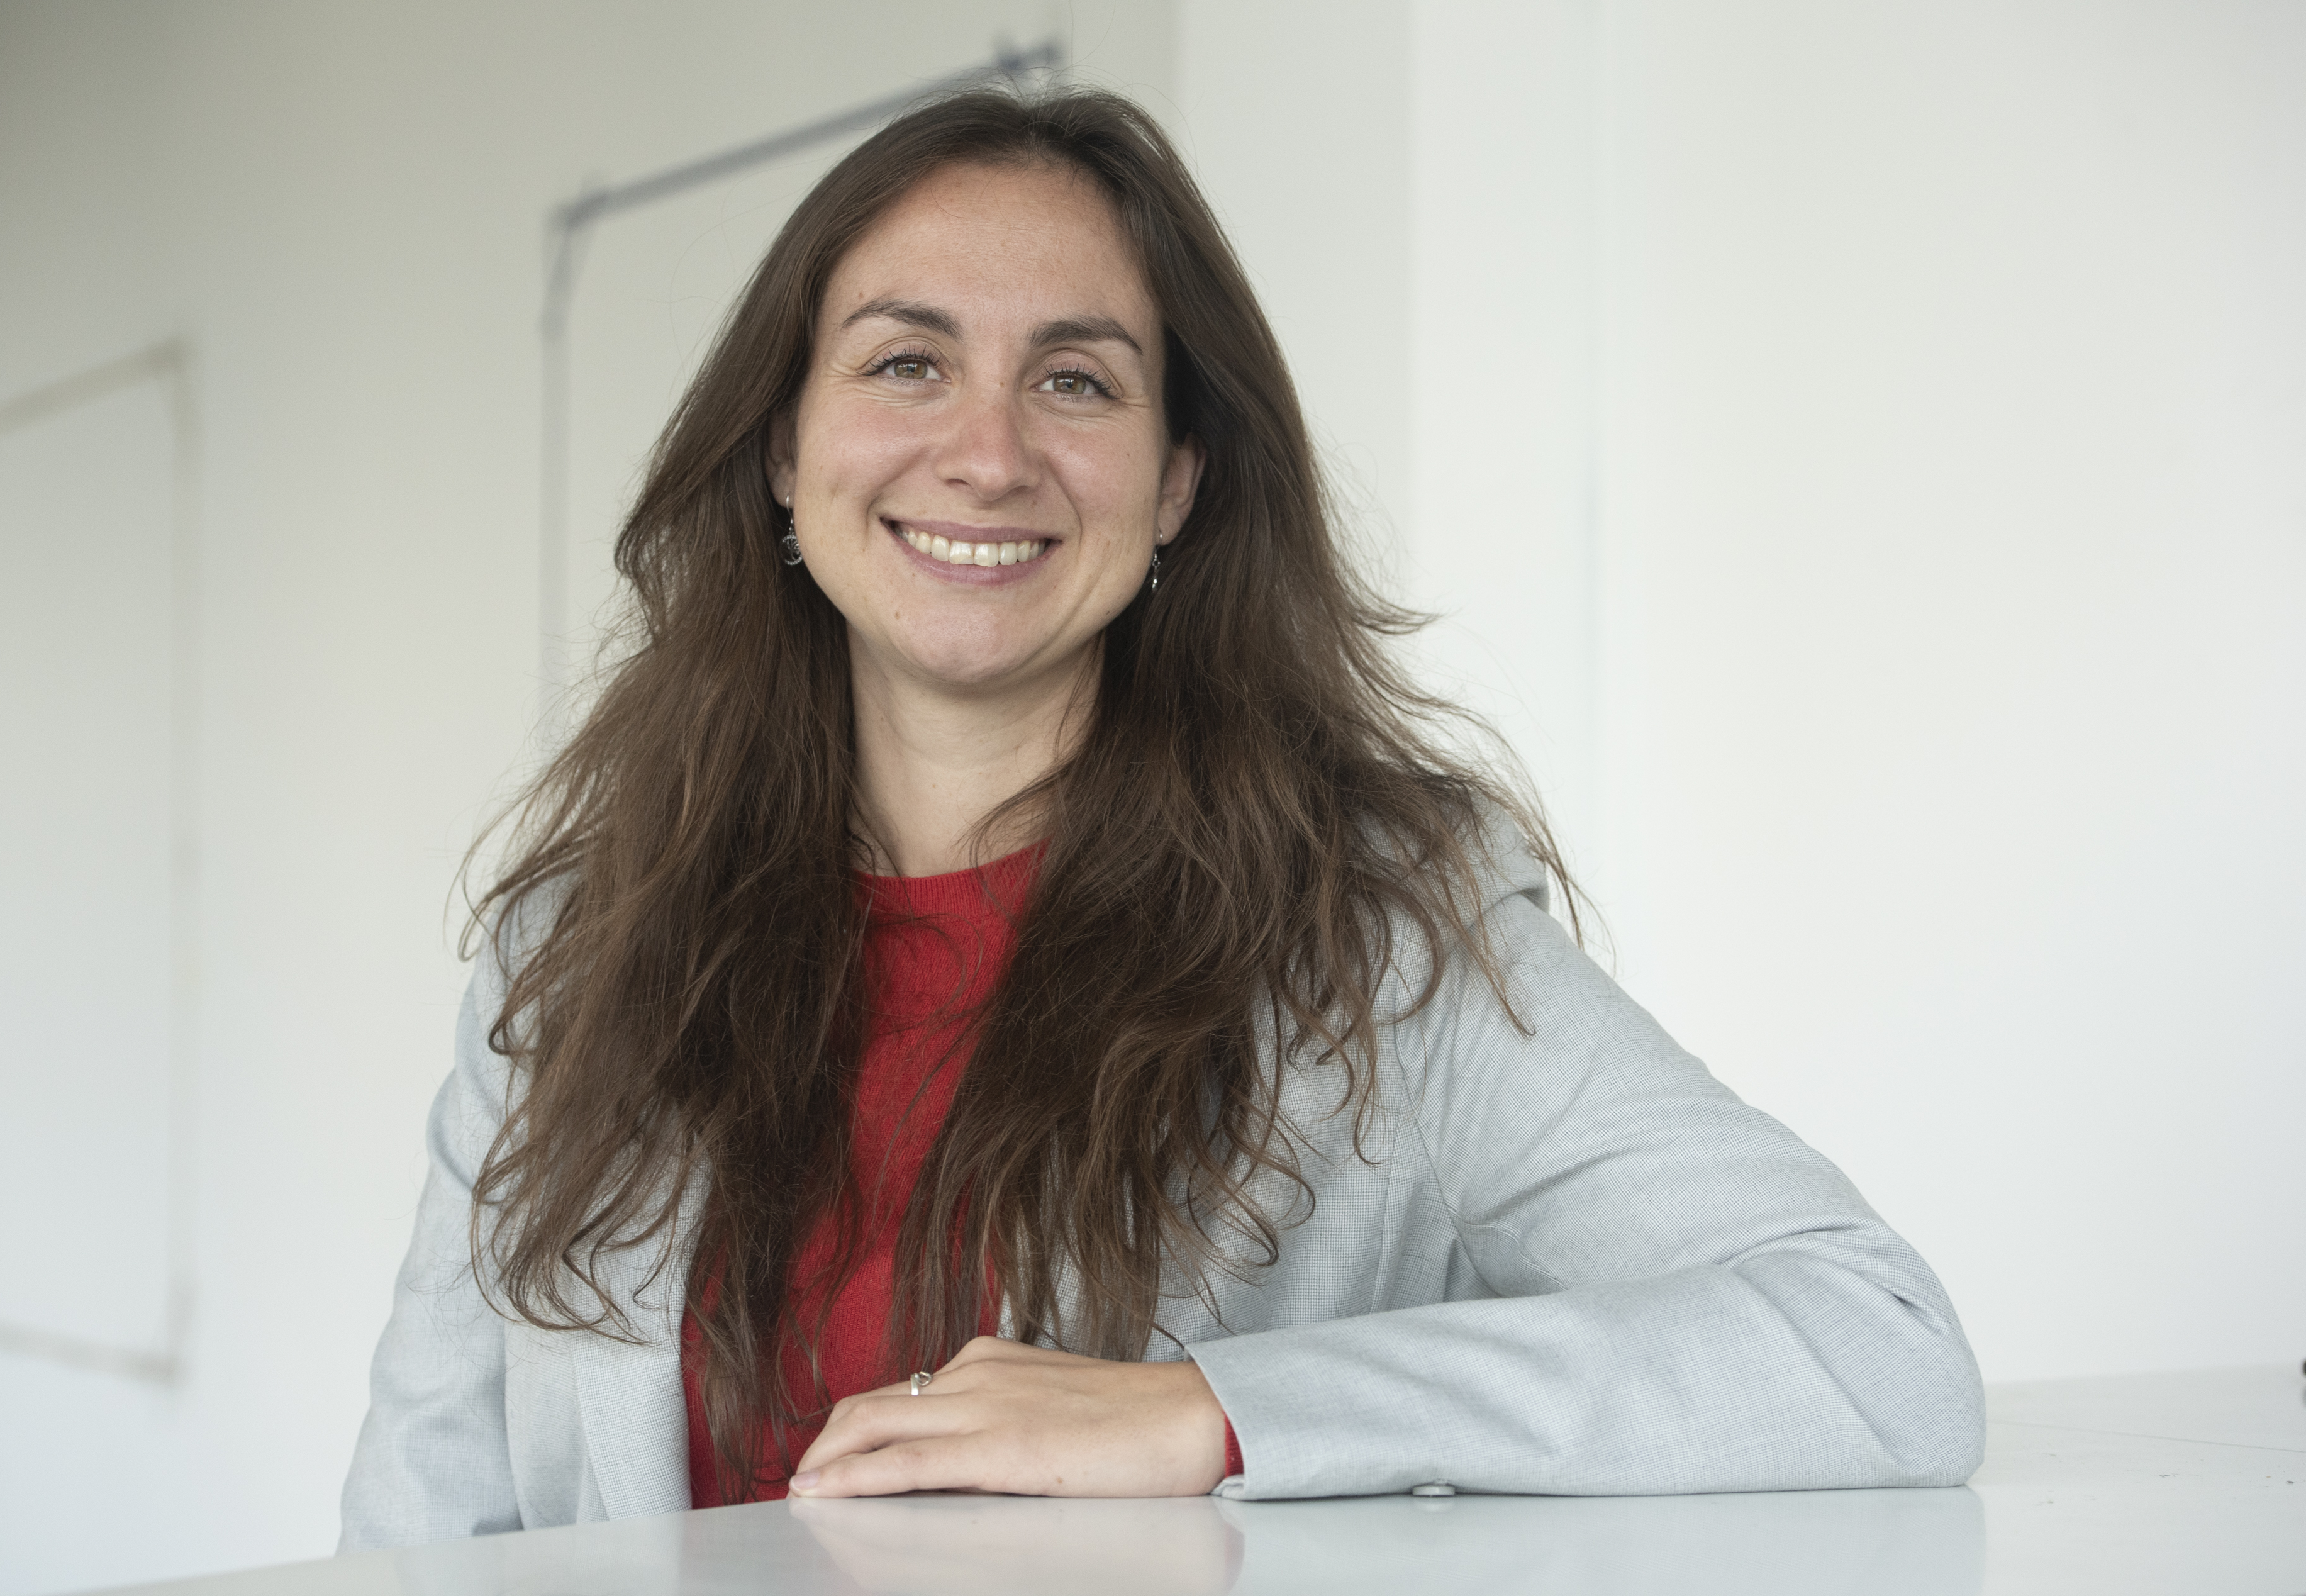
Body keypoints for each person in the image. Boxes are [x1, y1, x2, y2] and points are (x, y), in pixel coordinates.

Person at [340, 87, 1983, 1549]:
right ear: (784, 444)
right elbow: (422, 1525)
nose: (986, 452)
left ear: (1179, 477)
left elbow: (1871, 1347)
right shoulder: (573, 954)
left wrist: (1214, 1410)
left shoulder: (1385, 930)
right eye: (908, 361)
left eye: (1075, 378)